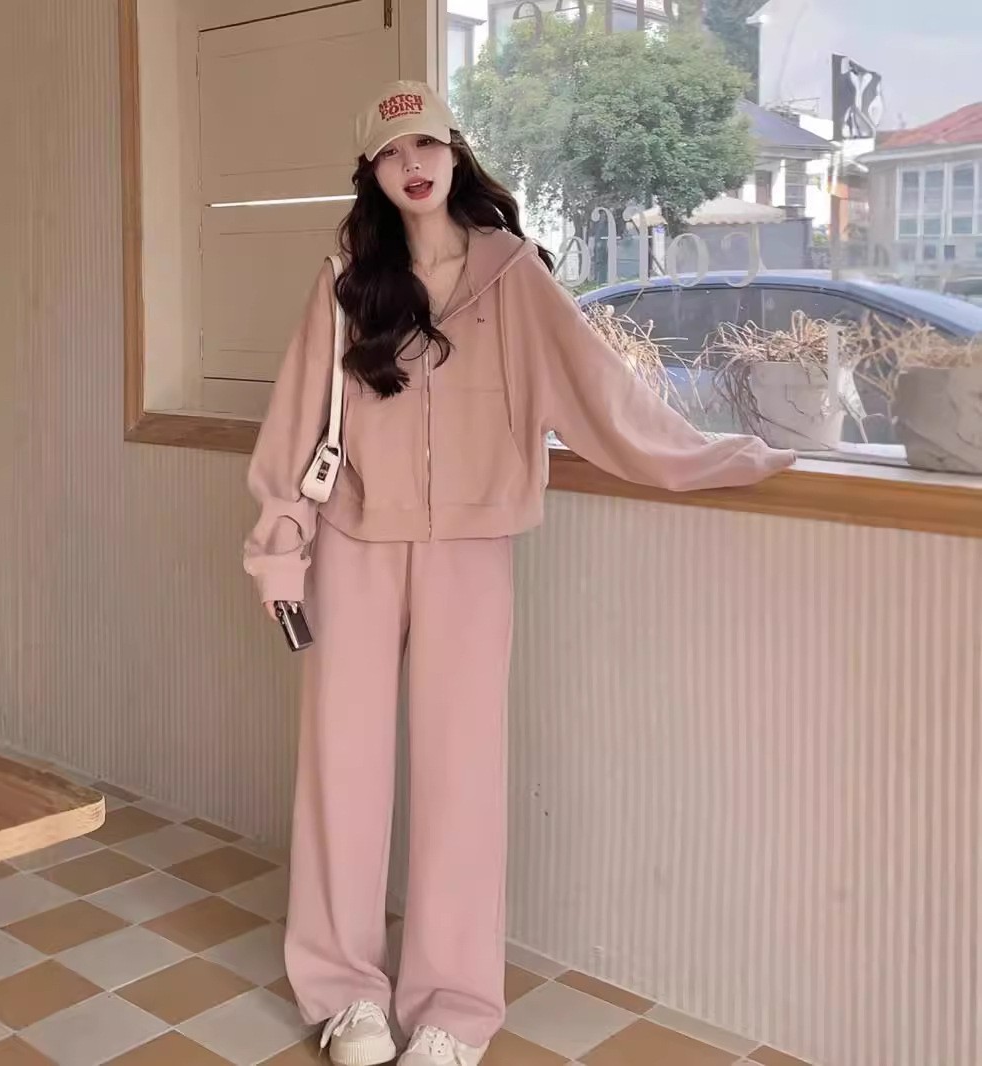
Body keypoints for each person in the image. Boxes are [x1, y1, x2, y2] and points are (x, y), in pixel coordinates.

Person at [243, 80, 795, 1066]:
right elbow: (295, 426)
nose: (412, 164)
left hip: (472, 549)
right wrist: (279, 547)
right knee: (340, 772)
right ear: (371, 173)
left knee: (461, 779)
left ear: (454, 155)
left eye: (426, 144)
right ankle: (343, 992)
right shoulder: (345, 284)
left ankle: (453, 1008)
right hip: (354, 545)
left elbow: (600, 394)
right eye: (389, 152)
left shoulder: (514, 277)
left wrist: (712, 456)